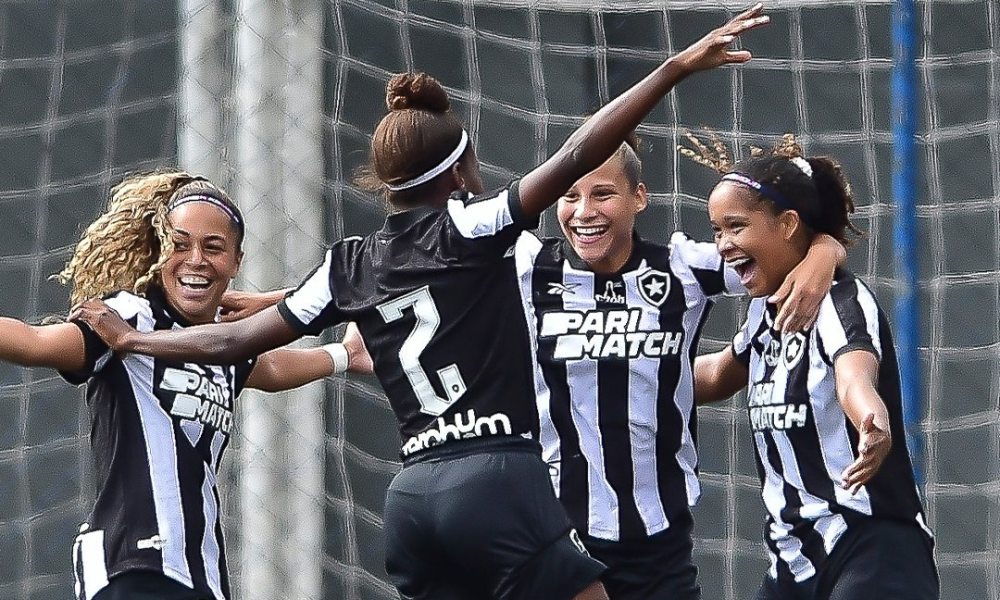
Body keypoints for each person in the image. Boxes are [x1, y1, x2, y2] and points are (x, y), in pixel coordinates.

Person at [69, 6, 772, 599]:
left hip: (411, 502)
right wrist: (672, 69)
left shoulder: (350, 262)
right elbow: (578, 151)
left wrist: (138, 342)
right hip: (496, 476)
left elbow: (234, 341)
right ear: (461, 172)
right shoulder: (475, 228)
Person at [0, 171, 360, 600]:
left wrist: (344, 355)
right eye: (180, 244)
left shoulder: (223, 345)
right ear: (159, 252)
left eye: (213, 247)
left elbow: (274, 369)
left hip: (200, 574)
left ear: (236, 261)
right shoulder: (129, 319)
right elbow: (35, 341)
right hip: (131, 566)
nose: (195, 260)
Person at [690, 135, 939, 600]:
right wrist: (629, 371)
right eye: (716, 231)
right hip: (793, 563)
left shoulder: (842, 300)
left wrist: (873, 421)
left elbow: (854, 375)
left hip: (868, 547)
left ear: (787, 224)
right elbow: (716, 374)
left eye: (736, 227)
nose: (723, 244)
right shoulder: (766, 311)